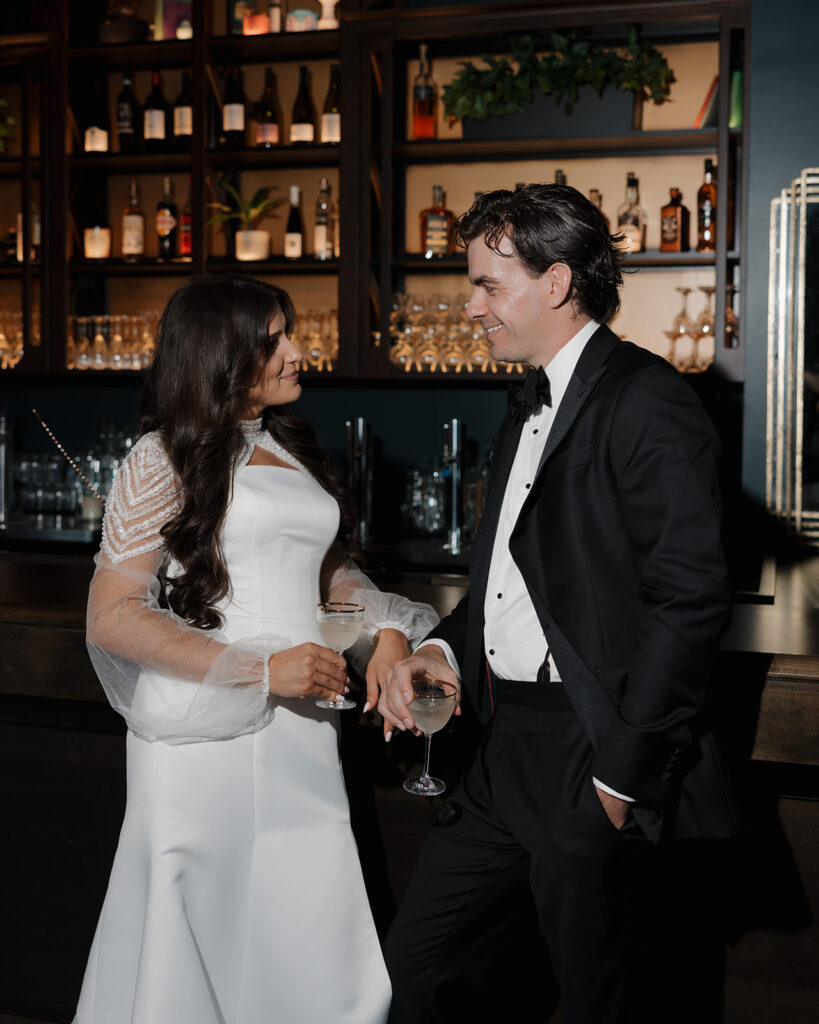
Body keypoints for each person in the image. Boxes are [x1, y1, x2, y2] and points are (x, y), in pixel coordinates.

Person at [379, 184, 739, 1023]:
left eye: (487, 286)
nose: (471, 308)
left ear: (556, 282)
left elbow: (687, 604)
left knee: (595, 1003)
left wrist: (619, 778)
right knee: (415, 973)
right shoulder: (528, 398)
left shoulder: (648, 399)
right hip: (501, 751)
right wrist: (439, 648)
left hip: (591, 752)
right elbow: (508, 584)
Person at [74, 275, 438, 1024]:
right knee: (193, 935)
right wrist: (262, 669)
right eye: (272, 340)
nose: (297, 352)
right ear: (220, 353)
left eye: (289, 334)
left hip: (302, 731)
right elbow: (111, 617)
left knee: (304, 930)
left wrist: (389, 630)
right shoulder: (160, 456)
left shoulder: (287, 446)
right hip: (201, 734)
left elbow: (331, 574)